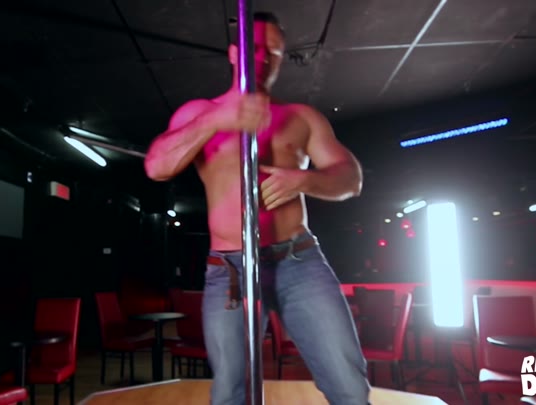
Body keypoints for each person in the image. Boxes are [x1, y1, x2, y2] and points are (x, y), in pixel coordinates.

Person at [144, 12, 370, 405]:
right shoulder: (200, 112)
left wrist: (304, 180)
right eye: (255, 48)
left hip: (299, 261)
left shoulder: (300, 117)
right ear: (234, 53)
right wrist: (217, 119)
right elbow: (157, 166)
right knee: (230, 391)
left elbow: (350, 179)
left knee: (348, 383)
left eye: (275, 52)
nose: (264, 58)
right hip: (230, 270)